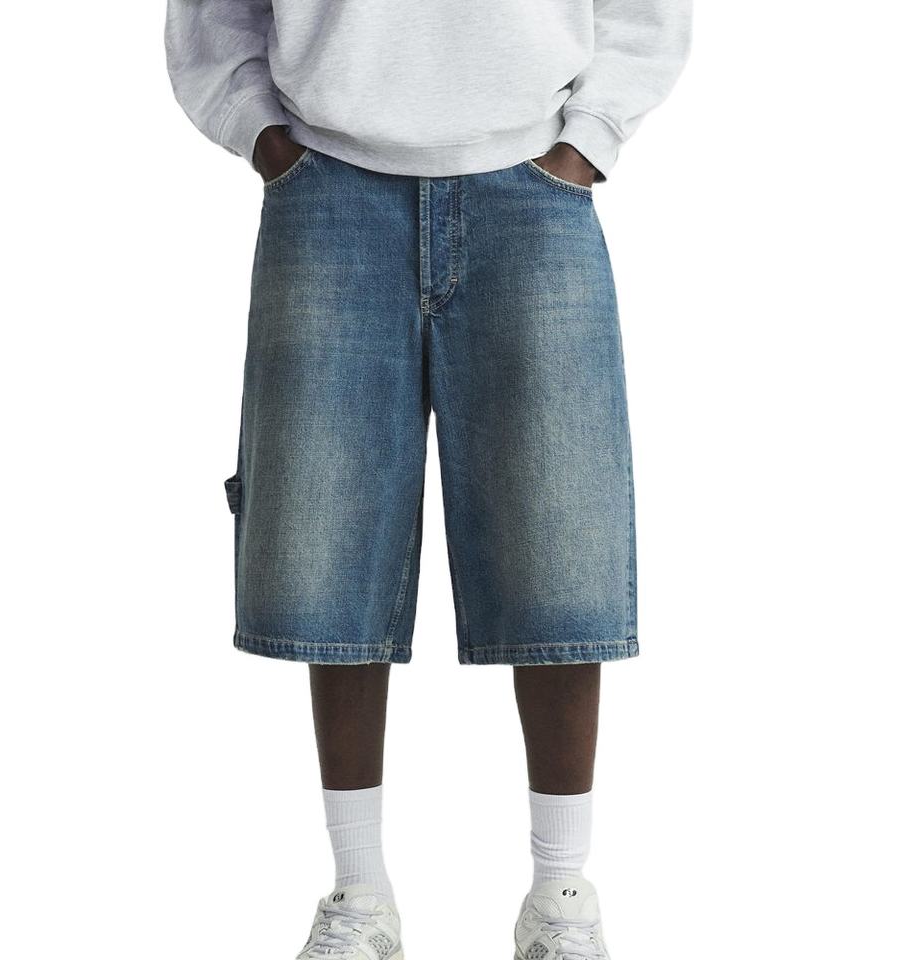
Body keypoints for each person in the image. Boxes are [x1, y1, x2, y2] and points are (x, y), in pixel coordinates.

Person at [165, 1, 690, 956]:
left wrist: (589, 138)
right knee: (331, 531)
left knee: (559, 531)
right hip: (327, 181)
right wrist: (265, 136)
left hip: (533, 184)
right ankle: (360, 894)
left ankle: (560, 895)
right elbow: (215, 15)